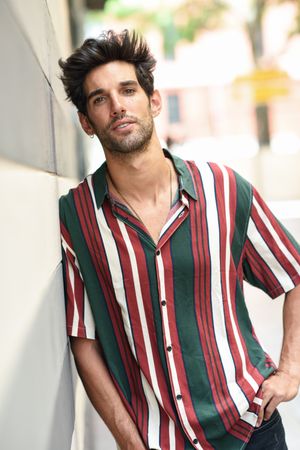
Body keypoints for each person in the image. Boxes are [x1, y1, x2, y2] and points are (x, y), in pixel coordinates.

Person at [58, 30, 300, 450]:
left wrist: (291, 370)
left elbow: (293, 274)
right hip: (157, 442)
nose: (117, 106)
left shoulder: (223, 188)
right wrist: (130, 442)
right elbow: (84, 342)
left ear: (153, 101)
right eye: (99, 99)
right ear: (86, 121)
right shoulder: (76, 218)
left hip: (251, 429)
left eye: (128, 90)